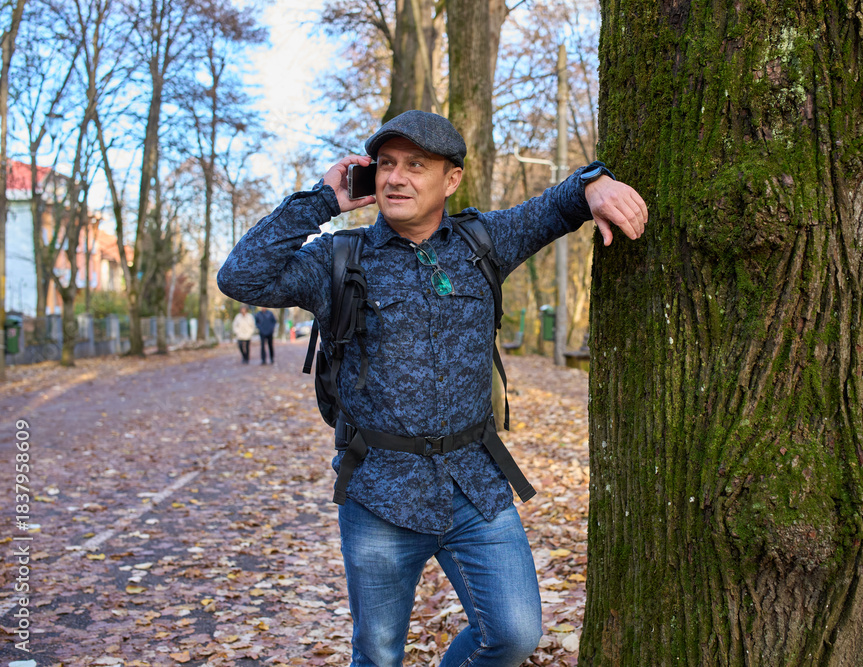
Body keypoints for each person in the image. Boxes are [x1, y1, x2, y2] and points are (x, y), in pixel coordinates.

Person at [217, 110, 647, 666]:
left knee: (514, 634)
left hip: (475, 485)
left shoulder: (483, 241)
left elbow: (558, 206)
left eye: (416, 165)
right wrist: (322, 201)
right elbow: (241, 276)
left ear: (451, 179)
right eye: (386, 164)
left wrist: (596, 183)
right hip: (379, 493)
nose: (396, 178)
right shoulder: (338, 259)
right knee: (378, 656)